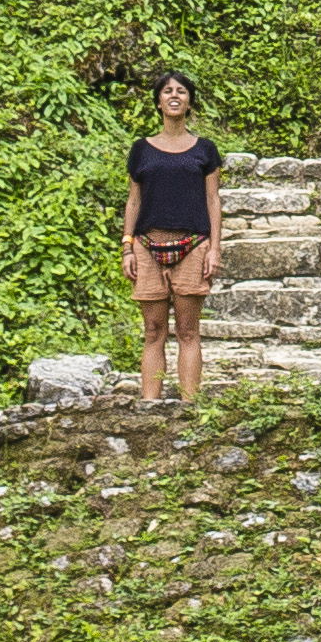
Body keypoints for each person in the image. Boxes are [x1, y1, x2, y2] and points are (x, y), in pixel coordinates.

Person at [121, 73, 222, 407]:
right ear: (159, 101)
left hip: (193, 245)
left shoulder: (205, 150)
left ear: (190, 101)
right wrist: (127, 247)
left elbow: (212, 200)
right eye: (168, 91)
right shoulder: (141, 150)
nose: (174, 96)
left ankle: (190, 406)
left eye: (181, 91)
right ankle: (150, 405)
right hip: (147, 245)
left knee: (189, 331)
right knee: (153, 331)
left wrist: (215, 248)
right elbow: (134, 200)